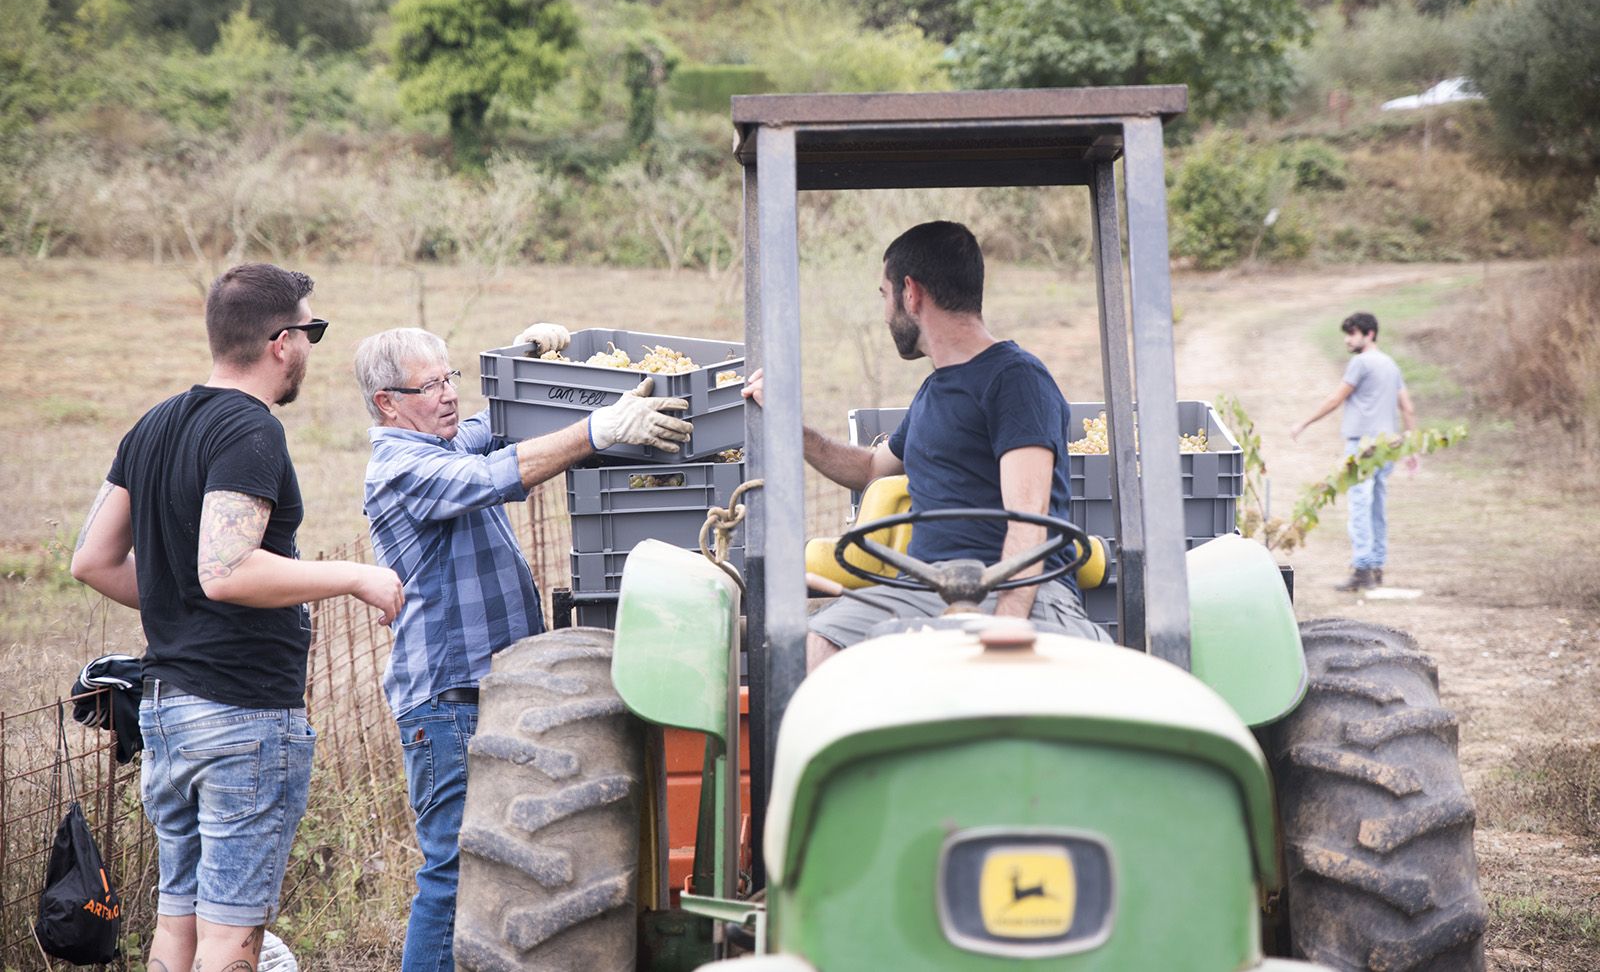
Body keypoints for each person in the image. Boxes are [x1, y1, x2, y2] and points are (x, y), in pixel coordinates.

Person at [70, 263, 405, 972]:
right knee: (229, 936)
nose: (312, 346)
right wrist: (357, 576)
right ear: (282, 341)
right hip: (242, 716)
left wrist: (177, 605)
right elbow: (227, 569)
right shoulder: (250, 429)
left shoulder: (154, 424)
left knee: (179, 926)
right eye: (312, 331)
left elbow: (93, 561)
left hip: (167, 712)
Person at [354, 323, 692, 972]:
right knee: (453, 873)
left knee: (493, 868)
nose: (449, 395)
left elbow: (499, 427)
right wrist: (597, 432)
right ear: (387, 404)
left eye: (449, 378)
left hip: (490, 693)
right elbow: (495, 473)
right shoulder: (400, 468)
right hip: (447, 703)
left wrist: (524, 354)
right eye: (429, 387)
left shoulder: (444, 444)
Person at [742, 220, 1108, 669]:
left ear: (910, 293)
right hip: (922, 589)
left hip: (1016, 590)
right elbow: (872, 469)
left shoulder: (1016, 381)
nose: (884, 313)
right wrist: (792, 429)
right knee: (811, 652)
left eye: (884, 295)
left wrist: (1004, 631)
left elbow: (1027, 525)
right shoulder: (933, 391)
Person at [1291, 311, 1419, 591]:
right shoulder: (1390, 364)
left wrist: (1304, 423)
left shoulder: (1360, 363)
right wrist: (1411, 447)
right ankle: (1376, 565)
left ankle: (1362, 569)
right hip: (1388, 445)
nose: (1348, 340)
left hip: (1362, 444)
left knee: (1359, 506)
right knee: (1377, 506)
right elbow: (1407, 407)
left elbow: (1336, 398)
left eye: (1352, 333)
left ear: (1369, 334)